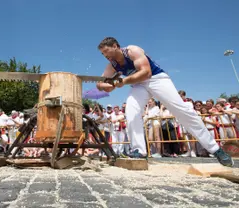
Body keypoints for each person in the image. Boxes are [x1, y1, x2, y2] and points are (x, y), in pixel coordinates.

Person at [95, 37, 233, 167]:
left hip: (156, 79)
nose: (105, 55)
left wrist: (123, 81)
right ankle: (140, 151)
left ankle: (215, 149)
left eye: (106, 51)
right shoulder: (112, 65)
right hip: (138, 85)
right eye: (102, 54)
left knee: (182, 111)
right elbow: (102, 83)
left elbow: (146, 72)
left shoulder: (132, 51)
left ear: (115, 46)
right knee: (131, 111)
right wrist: (103, 86)